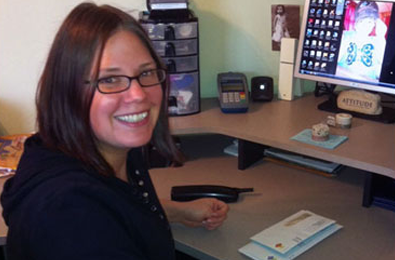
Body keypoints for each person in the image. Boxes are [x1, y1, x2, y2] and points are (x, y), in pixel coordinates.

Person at [0, 3, 228, 260]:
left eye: (146, 72)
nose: (138, 94)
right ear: (68, 90)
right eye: (109, 79)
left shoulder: (105, 149)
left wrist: (177, 212)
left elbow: (119, 205)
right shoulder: (69, 217)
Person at [336, 0, 387, 81]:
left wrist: (381, 37)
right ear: (356, 24)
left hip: (367, 85)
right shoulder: (346, 36)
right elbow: (335, 61)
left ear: (374, 25)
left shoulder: (377, 41)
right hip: (344, 81)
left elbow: (382, 68)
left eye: (369, 22)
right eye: (362, 21)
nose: (365, 25)